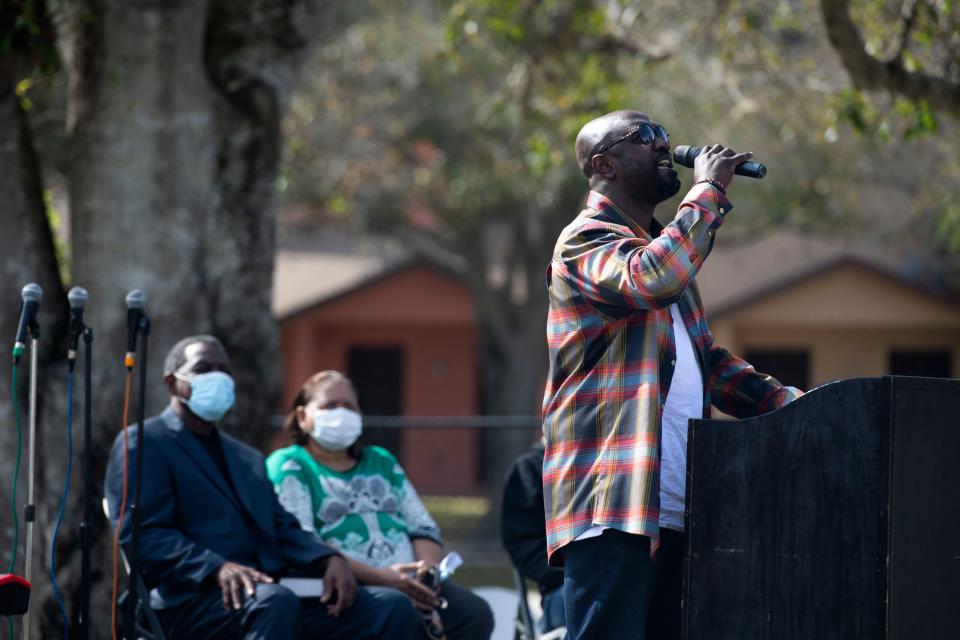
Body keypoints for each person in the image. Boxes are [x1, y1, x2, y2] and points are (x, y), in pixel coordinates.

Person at [541, 110, 804, 640]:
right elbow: (652, 279)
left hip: (675, 499)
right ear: (603, 164)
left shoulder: (665, 248)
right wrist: (707, 189)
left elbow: (704, 362)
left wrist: (795, 404)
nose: (664, 146)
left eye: (664, 134)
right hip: (610, 497)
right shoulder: (584, 241)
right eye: (645, 138)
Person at [105, 335, 421, 639]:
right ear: (172, 383)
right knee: (275, 602)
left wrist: (328, 558)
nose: (218, 378)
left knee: (391, 607)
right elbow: (143, 534)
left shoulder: (246, 458)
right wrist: (216, 568)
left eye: (224, 371)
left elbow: (282, 527)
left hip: (262, 594)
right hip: (187, 600)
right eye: (204, 369)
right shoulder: (146, 442)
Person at [266, 370, 495, 640]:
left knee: (473, 613)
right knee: (395, 609)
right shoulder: (290, 464)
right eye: (330, 406)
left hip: (410, 582)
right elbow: (302, 540)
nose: (341, 413)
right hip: (347, 586)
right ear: (303, 417)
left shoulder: (381, 460)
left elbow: (421, 526)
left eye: (349, 406)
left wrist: (426, 574)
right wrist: (382, 577)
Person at [501, 439, 565, 634]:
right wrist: (577, 572)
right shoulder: (528, 469)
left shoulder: (611, 465)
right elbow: (524, 548)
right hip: (563, 589)